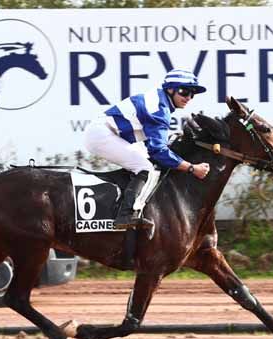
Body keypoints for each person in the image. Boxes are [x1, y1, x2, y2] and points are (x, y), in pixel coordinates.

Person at [83, 69, 211, 230]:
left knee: (149, 164)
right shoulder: (159, 109)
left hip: (109, 133)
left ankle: (132, 207)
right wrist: (191, 168)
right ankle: (125, 215)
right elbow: (158, 151)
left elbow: (155, 146)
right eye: (184, 91)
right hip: (102, 135)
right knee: (145, 168)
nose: (188, 98)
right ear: (170, 89)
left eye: (192, 94)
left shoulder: (161, 101)